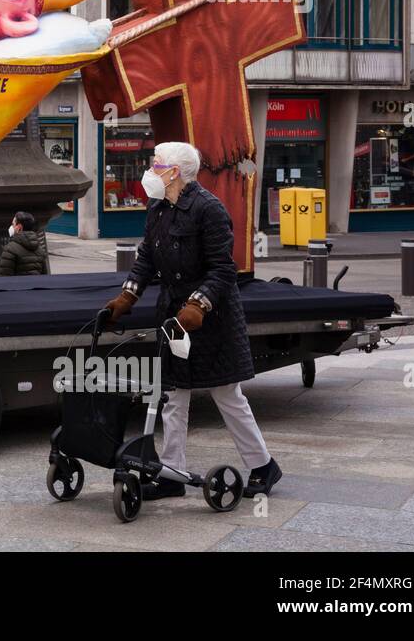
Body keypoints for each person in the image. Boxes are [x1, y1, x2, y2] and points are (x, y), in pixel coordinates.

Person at [102, 141, 282, 500]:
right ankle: (171, 474)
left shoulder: (208, 209)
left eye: (156, 165)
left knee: (227, 394)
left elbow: (223, 269)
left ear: (176, 173)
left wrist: (198, 305)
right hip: (174, 315)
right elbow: (146, 261)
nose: (150, 171)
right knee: (173, 395)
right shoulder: (156, 208)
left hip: (211, 317)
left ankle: (263, 466)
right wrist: (127, 297)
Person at [0, 211, 46, 275]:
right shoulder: (40, 249)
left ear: (19, 227)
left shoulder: (10, 249)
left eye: (13, 224)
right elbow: (44, 275)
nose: (11, 227)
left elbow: (5, 276)